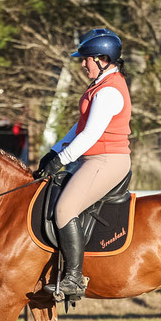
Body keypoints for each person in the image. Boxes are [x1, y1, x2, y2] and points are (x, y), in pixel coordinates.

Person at [34, 28, 132, 298]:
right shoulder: (99, 86)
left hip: (107, 160)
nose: (82, 63)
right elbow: (80, 127)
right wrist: (53, 152)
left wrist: (63, 160)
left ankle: (74, 280)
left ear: (102, 58)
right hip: (94, 158)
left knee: (65, 209)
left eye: (86, 58)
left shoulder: (109, 91)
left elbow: (90, 135)